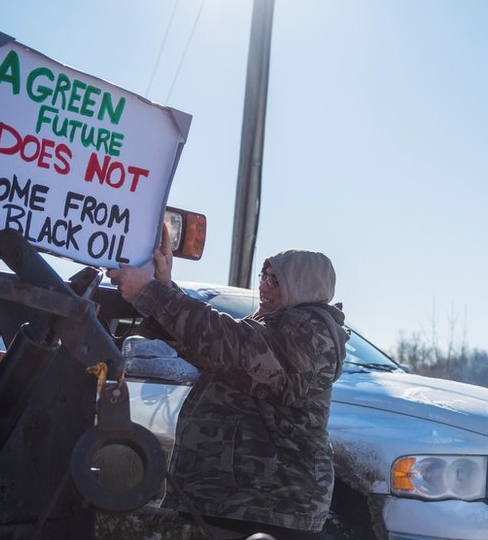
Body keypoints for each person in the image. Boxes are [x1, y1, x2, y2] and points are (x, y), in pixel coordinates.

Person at [107, 224, 348, 539]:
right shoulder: (272, 327)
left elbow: (231, 344)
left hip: (268, 506)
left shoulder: (309, 333)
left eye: (276, 280)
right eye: (263, 277)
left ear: (303, 285)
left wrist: (152, 294)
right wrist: (163, 287)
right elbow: (212, 348)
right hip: (235, 502)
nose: (264, 286)